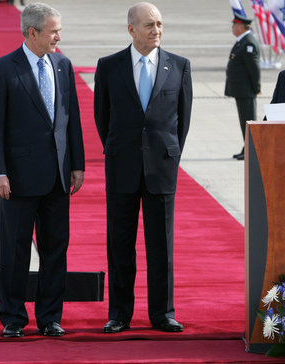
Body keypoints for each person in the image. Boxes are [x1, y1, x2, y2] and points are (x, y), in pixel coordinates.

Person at [0, 2, 85, 338]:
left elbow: (71, 120)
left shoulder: (62, 65)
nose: (59, 36)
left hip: (57, 177)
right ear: (32, 32)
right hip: (18, 180)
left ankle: (50, 317)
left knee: (56, 249)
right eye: (53, 31)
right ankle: (13, 317)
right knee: (14, 251)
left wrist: (77, 165)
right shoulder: (2, 69)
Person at [94, 2, 192, 333]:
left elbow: (182, 119)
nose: (157, 30)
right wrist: (119, 149)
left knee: (161, 246)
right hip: (122, 166)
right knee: (120, 244)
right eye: (149, 25)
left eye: (160, 24)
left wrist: (168, 153)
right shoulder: (109, 66)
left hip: (161, 168)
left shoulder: (179, 66)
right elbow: (102, 117)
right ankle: (119, 314)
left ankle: (162, 313)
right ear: (131, 30)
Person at [225, 13, 261, 161]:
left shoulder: (248, 43)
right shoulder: (242, 41)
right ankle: (246, 148)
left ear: (240, 26)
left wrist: (256, 87)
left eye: (234, 25)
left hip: (246, 91)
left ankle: (251, 150)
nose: (233, 28)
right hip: (241, 90)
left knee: (248, 121)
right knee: (244, 121)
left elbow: (254, 68)